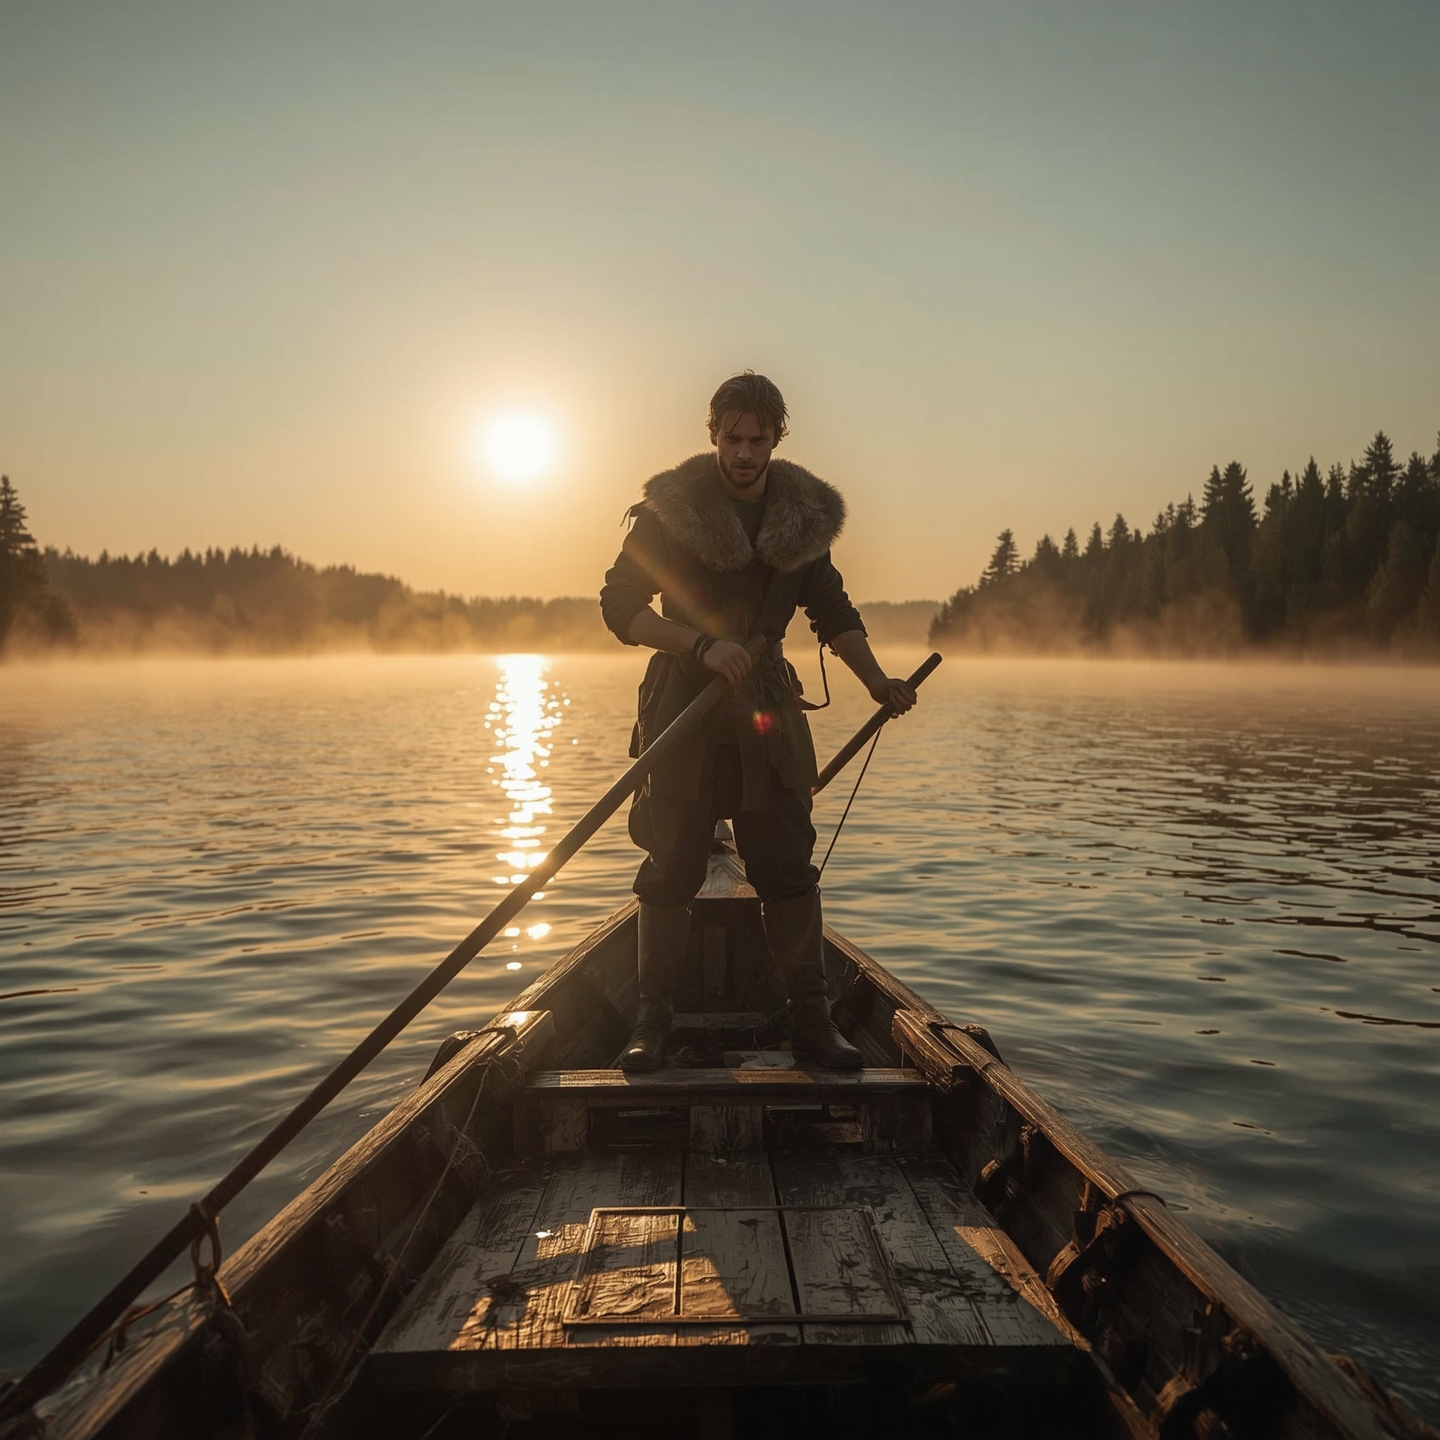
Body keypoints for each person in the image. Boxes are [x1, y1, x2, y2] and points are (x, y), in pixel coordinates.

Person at [599, 372, 916, 1072]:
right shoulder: (669, 514)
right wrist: (701, 647)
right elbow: (620, 605)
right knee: (673, 865)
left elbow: (831, 612)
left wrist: (876, 683)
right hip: (683, 708)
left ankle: (813, 1024)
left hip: (767, 715)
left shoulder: (800, 521)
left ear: (779, 437)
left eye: (759, 439)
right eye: (734, 437)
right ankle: (651, 1025)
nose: (745, 452)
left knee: (785, 869)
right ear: (712, 431)